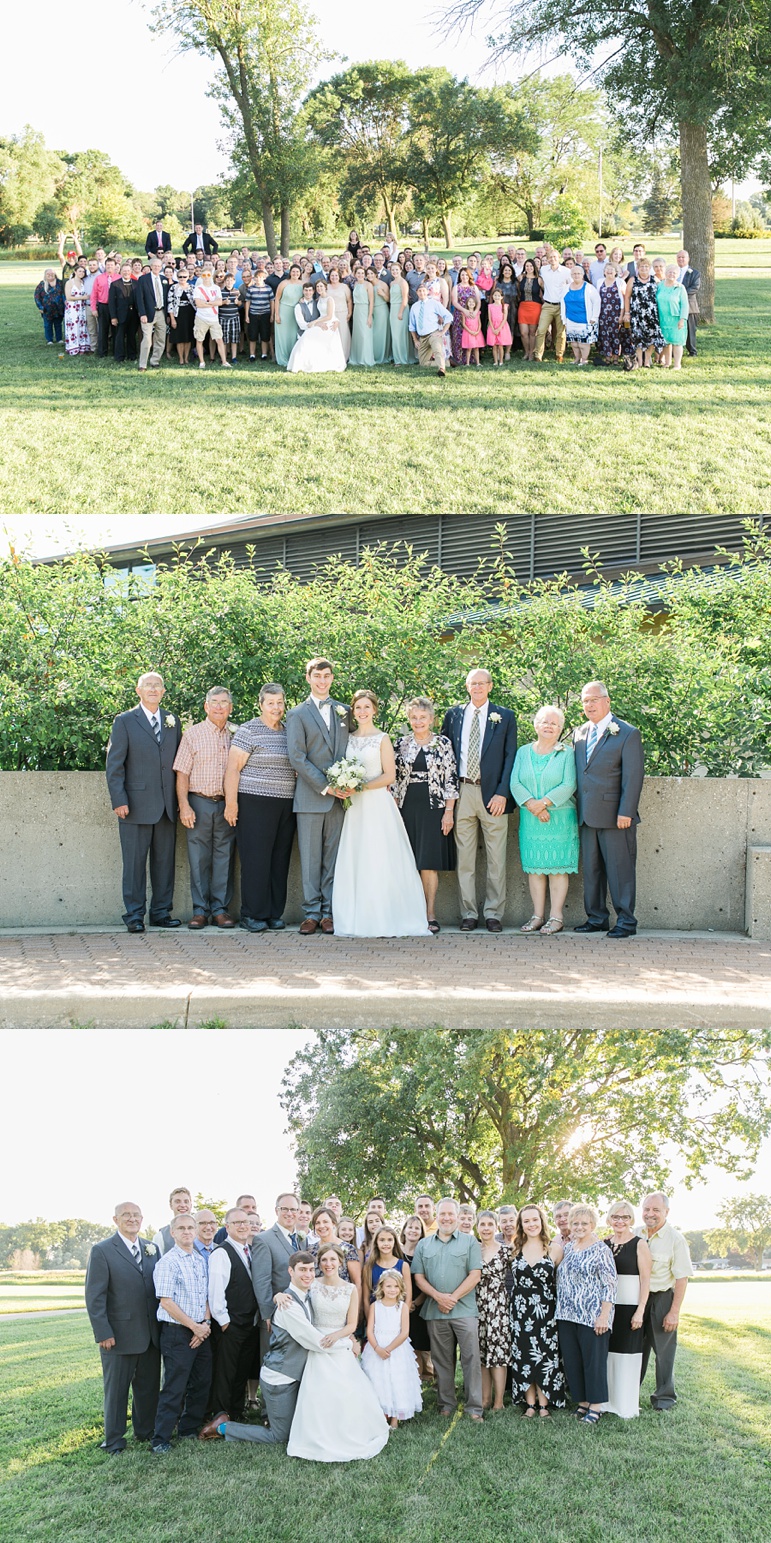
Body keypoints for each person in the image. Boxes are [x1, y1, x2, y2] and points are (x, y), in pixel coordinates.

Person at [331, 689, 431, 938]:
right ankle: (358, 919)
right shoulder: (348, 738)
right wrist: (343, 784)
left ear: (374, 710)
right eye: (358, 708)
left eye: (367, 707)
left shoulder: (382, 738)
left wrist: (360, 786)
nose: (362, 712)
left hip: (377, 804)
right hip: (354, 808)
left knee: (380, 858)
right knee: (357, 859)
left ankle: (387, 916)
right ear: (353, 712)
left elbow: (389, 775)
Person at [282, 1249, 389, 1461]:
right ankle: (318, 1436)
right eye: (323, 1260)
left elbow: (351, 1324)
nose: (328, 1263)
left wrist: (338, 1337)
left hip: (338, 1340)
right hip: (314, 1341)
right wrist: (278, 1294)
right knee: (319, 1393)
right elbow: (295, 1295)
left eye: (332, 1259)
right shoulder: (312, 1284)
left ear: (340, 1262)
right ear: (318, 1264)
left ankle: (347, 1433)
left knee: (345, 1392)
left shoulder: (350, 1289)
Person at [441, 670, 518, 933]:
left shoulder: (505, 716)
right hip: (462, 792)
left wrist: (502, 792)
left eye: (482, 683)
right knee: (464, 858)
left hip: (493, 795)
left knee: (497, 858)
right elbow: (445, 754)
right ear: (466, 686)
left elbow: (510, 757)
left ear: (490, 686)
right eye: (473, 683)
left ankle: (494, 913)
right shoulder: (453, 715)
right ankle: (469, 914)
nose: (477, 687)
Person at [105, 671, 182, 932]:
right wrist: (119, 799)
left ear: (163, 691)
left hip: (167, 807)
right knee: (135, 864)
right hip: (134, 806)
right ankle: (135, 915)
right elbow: (114, 765)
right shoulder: (124, 721)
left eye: (157, 685)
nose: (153, 689)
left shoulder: (173, 720)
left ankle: (161, 911)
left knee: (164, 863)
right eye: (148, 685)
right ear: (138, 691)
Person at [84, 1201, 161, 1455]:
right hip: (118, 1336)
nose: (132, 1219)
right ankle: (114, 1440)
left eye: (136, 1215)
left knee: (148, 1388)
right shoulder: (102, 1250)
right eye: (126, 1215)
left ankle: (145, 1431)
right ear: (115, 1220)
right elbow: (95, 1296)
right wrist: (103, 1332)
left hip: (151, 1334)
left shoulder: (152, 1248)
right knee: (116, 1391)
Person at [572, 680, 645, 939]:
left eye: (594, 699)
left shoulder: (626, 733)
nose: (589, 705)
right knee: (591, 870)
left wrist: (626, 810)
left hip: (616, 816)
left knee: (619, 870)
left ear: (607, 701)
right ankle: (596, 918)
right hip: (586, 814)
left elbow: (633, 776)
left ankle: (626, 921)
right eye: (585, 701)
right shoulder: (579, 733)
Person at [224, 682, 296, 933]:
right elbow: (233, 769)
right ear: (261, 704)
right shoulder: (248, 731)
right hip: (254, 802)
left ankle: (274, 913)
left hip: (285, 805)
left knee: (279, 859)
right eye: (271, 703)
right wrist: (231, 804)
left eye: (280, 703)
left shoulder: (289, 732)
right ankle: (252, 913)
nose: (276, 707)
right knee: (256, 859)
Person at [285, 656, 348, 935]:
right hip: (311, 796)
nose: (322, 681)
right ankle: (311, 913)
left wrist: (350, 781)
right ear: (308, 678)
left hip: (341, 799)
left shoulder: (345, 711)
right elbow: (297, 757)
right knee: (310, 858)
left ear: (332, 678)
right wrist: (325, 785)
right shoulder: (297, 714)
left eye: (327, 676)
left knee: (333, 858)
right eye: (317, 676)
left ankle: (328, 913)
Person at [411, 1197, 484, 1421]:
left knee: (471, 1358)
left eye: (450, 1214)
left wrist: (452, 1298)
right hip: (435, 1311)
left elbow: (475, 1274)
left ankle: (474, 1407)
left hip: (464, 1310)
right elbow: (418, 1277)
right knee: (442, 1359)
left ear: (457, 1216)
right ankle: (446, 1402)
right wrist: (438, 1297)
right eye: (442, 1214)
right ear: (437, 1215)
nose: (446, 1218)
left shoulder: (470, 1242)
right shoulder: (424, 1244)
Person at [510, 704, 578, 935]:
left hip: (559, 819)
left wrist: (545, 804)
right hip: (531, 819)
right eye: (545, 722)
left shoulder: (567, 753)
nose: (549, 726)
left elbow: (569, 784)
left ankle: (556, 917)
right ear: (536, 724)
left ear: (560, 728)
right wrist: (534, 806)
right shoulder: (523, 752)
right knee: (535, 869)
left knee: (558, 870)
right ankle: (537, 916)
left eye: (554, 723)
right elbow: (515, 783)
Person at [392, 695, 458, 934]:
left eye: (423, 717)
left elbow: (451, 779)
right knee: (407, 862)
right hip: (406, 808)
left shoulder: (443, 744)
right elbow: (393, 780)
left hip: (435, 808)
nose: (418, 721)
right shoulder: (400, 743)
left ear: (431, 719)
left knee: (428, 863)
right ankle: (409, 913)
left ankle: (430, 913)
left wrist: (448, 812)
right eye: (414, 717)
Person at [174, 687, 237, 930]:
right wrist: (184, 805)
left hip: (227, 804)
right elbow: (182, 773)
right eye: (215, 702)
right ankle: (200, 911)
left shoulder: (237, 734)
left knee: (225, 857)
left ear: (230, 708)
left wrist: (234, 804)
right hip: (198, 802)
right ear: (206, 706)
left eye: (224, 702)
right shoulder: (193, 735)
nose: (219, 706)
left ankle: (220, 910)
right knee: (198, 858)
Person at [150, 1213, 212, 1453]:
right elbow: (166, 1302)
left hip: (201, 1331)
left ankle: (188, 1429)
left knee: (201, 1382)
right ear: (173, 1233)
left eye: (190, 1228)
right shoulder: (167, 1262)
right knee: (175, 1386)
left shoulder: (198, 1259)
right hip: (178, 1333)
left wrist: (204, 1324)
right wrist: (193, 1326)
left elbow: (206, 1296)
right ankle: (161, 1438)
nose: (187, 1232)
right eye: (182, 1228)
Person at [198, 1209, 260, 1435]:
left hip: (249, 1323)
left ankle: (236, 1410)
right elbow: (216, 1292)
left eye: (246, 1222)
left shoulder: (249, 1250)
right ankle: (220, 1413)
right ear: (228, 1226)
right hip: (230, 1324)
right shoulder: (221, 1253)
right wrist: (224, 1322)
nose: (243, 1226)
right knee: (225, 1371)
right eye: (237, 1223)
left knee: (241, 1370)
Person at [556, 1203, 616, 1424]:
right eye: (575, 1223)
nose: (579, 1227)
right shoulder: (569, 1248)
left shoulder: (601, 1249)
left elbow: (610, 1285)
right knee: (573, 1360)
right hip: (566, 1314)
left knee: (594, 1362)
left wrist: (604, 1315)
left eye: (584, 1223)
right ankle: (582, 1402)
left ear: (592, 1225)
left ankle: (596, 1406)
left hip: (592, 1316)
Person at [509, 1202, 566, 1416]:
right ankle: (530, 1404)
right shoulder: (514, 1250)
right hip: (520, 1312)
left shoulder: (555, 1249)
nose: (531, 1224)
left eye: (535, 1219)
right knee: (524, 1356)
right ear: (521, 1225)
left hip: (546, 1312)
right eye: (527, 1221)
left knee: (545, 1356)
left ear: (542, 1222)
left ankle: (544, 1404)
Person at [639, 1192, 693, 1410]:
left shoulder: (675, 1239)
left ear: (666, 1212)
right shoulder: (635, 1233)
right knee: (635, 1351)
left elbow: (682, 1278)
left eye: (656, 1210)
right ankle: (628, 1393)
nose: (650, 1214)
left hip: (661, 1299)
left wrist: (674, 1312)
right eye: (646, 1209)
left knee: (664, 1352)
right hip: (636, 1300)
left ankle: (664, 1398)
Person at [603, 1201, 651, 1419]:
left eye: (625, 1217)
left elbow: (645, 1281)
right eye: (616, 1217)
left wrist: (640, 1310)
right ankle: (606, 1402)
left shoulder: (640, 1244)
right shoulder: (603, 1244)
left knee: (627, 1356)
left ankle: (625, 1405)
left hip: (630, 1306)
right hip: (607, 1308)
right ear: (609, 1219)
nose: (620, 1221)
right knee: (608, 1356)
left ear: (631, 1220)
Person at [362, 1270, 423, 1428]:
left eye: (396, 1286)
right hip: (376, 1348)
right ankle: (381, 1414)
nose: (392, 1289)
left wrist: (388, 1349)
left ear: (401, 1288)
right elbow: (370, 1330)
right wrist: (377, 1348)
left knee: (396, 1381)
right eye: (388, 1286)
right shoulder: (375, 1306)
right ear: (381, 1287)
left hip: (396, 1348)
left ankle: (395, 1418)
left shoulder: (402, 1307)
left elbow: (404, 1332)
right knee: (378, 1381)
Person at [474, 1211, 512, 1413]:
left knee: (498, 1353)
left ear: (496, 1227)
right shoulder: (473, 1250)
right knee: (482, 1352)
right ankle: (485, 1398)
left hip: (498, 1306)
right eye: (483, 1224)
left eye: (490, 1224)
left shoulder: (506, 1251)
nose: (486, 1228)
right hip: (477, 1305)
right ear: (477, 1227)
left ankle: (499, 1401)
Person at [251, 1193, 303, 1333]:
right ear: (276, 1211)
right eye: (284, 1209)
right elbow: (261, 1280)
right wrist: (267, 1314)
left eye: (293, 1210)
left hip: (300, 1314)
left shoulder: (302, 1240)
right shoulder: (263, 1240)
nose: (289, 1213)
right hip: (276, 1313)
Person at [287, 280, 346, 373]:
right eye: (318, 287)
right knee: (306, 337)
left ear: (325, 287)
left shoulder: (328, 299)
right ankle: (302, 363)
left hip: (328, 324)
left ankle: (319, 363)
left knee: (310, 336)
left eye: (321, 286)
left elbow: (330, 315)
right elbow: (303, 324)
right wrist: (317, 323)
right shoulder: (315, 300)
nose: (319, 288)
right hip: (316, 325)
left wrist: (336, 321)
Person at [400, 1216, 433, 1378]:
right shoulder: (395, 1251)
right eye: (410, 1227)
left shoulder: (424, 1254)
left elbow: (427, 1282)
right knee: (402, 1347)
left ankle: (417, 1385)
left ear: (421, 1233)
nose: (413, 1230)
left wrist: (414, 1303)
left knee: (416, 1348)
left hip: (419, 1307)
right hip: (397, 1307)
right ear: (404, 1230)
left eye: (416, 1228)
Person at [624, 257, 665, 370]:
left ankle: (647, 360)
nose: (644, 268)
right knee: (638, 337)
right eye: (641, 266)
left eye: (646, 266)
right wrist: (627, 313)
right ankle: (640, 361)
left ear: (649, 268)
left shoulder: (655, 279)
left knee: (652, 336)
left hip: (651, 314)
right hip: (637, 314)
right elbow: (627, 297)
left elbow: (662, 294)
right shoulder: (633, 280)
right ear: (638, 268)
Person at [307, 1207, 362, 1290]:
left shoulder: (348, 1249)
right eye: (317, 1223)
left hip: (343, 1299)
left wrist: (356, 1303)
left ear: (333, 1223)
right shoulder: (311, 1250)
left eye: (325, 1222)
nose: (321, 1226)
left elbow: (357, 1282)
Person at [533, 250, 570, 362]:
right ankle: (538, 355)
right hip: (548, 305)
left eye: (554, 256)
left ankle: (559, 354)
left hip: (561, 306)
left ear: (558, 257)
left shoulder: (566, 271)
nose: (552, 259)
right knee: (541, 330)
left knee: (561, 333)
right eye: (550, 257)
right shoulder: (544, 270)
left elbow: (571, 286)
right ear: (547, 259)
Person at [361, 1225, 410, 1308]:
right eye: (382, 1240)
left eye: (390, 1240)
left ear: (394, 1242)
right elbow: (366, 1299)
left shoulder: (403, 1266)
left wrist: (403, 1317)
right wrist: (370, 1319)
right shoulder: (368, 1267)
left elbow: (408, 1297)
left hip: (397, 1315)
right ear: (376, 1242)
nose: (386, 1243)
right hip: (376, 1315)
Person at [561, 265, 601, 365]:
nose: (576, 275)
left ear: (583, 275)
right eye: (574, 273)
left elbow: (597, 301)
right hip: (570, 319)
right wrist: (564, 319)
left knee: (583, 343)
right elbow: (562, 303)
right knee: (574, 343)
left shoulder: (589, 288)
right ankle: (577, 358)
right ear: (571, 275)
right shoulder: (566, 288)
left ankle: (584, 359)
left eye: (578, 273)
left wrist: (594, 317)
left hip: (585, 320)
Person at [409, 282, 452, 376]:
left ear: (427, 291)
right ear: (417, 293)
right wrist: (415, 340)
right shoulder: (414, 307)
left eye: (424, 290)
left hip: (434, 334)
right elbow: (411, 326)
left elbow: (448, 316)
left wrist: (442, 332)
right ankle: (447, 363)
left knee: (438, 350)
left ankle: (442, 369)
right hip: (422, 337)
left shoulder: (434, 303)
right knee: (423, 364)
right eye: (419, 291)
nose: (422, 293)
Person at [193, 266, 231, 369]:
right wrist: (213, 303)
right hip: (201, 317)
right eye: (204, 275)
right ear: (201, 276)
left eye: (208, 275)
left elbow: (219, 302)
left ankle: (224, 361)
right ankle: (202, 362)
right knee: (199, 340)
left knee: (219, 339)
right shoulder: (198, 289)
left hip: (214, 318)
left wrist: (208, 303)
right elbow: (198, 304)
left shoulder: (216, 288)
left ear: (211, 276)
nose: (206, 277)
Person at [135, 257, 169, 372]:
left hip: (161, 312)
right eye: (154, 266)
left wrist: (167, 315)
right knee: (147, 340)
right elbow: (139, 298)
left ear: (161, 267)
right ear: (150, 266)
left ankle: (155, 361)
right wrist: (142, 313)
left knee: (160, 339)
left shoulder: (164, 279)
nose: (156, 268)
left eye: (159, 266)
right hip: (148, 313)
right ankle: (142, 364)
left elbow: (166, 298)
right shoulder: (143, 279)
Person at [596, 262, 629, 364]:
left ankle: (615, 358)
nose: (609, 271)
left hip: (616, 313)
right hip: (603, 313)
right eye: (607, 269)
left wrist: (621, 315)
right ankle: (607, 356)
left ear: (616, 272)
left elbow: (623, 299)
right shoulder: (599, 281)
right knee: (604, 335)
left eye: (612, 270)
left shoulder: (620, 282)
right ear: (604, 272)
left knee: (616, 336)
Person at [657, 266, 689, 369]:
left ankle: (677, 364)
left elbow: (685, 305)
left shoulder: (680, 287)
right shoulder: (660, 285)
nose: (672, 274)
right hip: (662, 317)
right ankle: (667, 362)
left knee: (677, 342)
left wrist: (682, 319)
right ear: (665, 273)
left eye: (674, 273)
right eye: (669, 272)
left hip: (675, 319)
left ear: (678, 275)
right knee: (666, 341)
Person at [274, 264, 304, 368]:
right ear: (290, 272)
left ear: (300, 273)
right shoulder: (284, 283)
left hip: (296, 313)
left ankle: (293, 358)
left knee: (293, 335)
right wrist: (277, 314)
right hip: (284, 311)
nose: (295, 274)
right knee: (283, 336)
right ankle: (282, 358)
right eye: (293, 271)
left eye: (297, 272)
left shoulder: (303, 284)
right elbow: (277, 299)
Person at [108, 263, 138, 363]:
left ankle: (132, 355)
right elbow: (111, 302)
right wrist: (113, 317)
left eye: (128, 271)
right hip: (120, 314)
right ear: (120, 272)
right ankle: (119, 356)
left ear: (131, 272)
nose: (126, 272)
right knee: (119, 336)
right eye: (124, 271)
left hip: (134, 314)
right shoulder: (115, 284)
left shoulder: (136, 283)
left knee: (132, 335)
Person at [90, 257, 119, 358]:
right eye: (108, 265)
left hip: (116, 307)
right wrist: (93, 308)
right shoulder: (99, 278)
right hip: (103, 306)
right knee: (103, 330)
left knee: (116, 330)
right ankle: (102, 352)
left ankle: (116, 351)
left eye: (111, 265)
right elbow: (94, 294)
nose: (109, 267)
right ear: (105, 266)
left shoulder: (119, 278)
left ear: (115, 266)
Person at [516, 258, 543, 362]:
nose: (529, 268)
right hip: (523, 306)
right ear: (524, 267)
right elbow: (517, 291)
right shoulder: (520, 277)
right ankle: (526, 352)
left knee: (532, 332)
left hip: (535, 307)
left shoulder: (539, 279)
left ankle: (532, 353)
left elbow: (544, 293)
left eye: (531, 266)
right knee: (523, 332)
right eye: (527, 266)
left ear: (534, 267)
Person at [244, 268, 274, 361]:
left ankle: (264, 354)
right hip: (253, 314)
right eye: (256, 277)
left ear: (264, 278)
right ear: (254, 278)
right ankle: (252, 354)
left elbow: (272, 301)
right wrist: (247, 315)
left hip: (265, 314)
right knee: (252, 335)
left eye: (260, 277)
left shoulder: (268, 288)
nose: (258, 279)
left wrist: (272, 315)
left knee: (265, 335)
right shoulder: (251, 289)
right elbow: (248, 302)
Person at [153, 1188, 194, 1254]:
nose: (183, 1205)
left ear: (191, 1205)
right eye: (177, 1202)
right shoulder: (161, 1236)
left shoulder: (201, 1231)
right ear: (171, 1205)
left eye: (186, 1202)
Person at [349, 266, 375, 367]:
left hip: (365, 309)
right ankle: (357, 357)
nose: (360, 275)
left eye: (362, 273)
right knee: (358, 335)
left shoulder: (368, 285)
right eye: (358, 273)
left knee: (365, 334)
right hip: (357, 310)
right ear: (355, 274)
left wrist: (369, 316)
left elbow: (371, 301)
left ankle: (365, 358)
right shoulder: (355, 284)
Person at [62, 263, 91, 355]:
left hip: (82, 308)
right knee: (73, 326)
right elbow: (69, 297)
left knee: (82, 326)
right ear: (75, 272)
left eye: (83, 271)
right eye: (79, 271)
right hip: (72, 308)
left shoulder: (83, 282)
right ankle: (73, 347)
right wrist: (83, 297)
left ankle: (82, 347)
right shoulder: (70, 282)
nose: (81, 273)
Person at [676, 249, 700, 356]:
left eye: (683, 257)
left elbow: (695, 288)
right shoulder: (673, 271)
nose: (680, 259)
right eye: (679, 257)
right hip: (674, 306)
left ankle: (692, 350)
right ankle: (674, 349)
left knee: (690, 329)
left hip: (690, 305)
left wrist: (680, 294)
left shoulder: (695, 273)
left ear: (688, 259)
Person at [388, 261, 411, 366]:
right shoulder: (392, 283)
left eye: (396, 269)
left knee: (400, 335)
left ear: (401, 270)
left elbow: (405, 299)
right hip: (393, 309)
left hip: (401, 309)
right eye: (393, 270)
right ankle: (397, 358)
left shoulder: (403, 282)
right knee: (395, 335)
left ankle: (402, 359)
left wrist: (400, 312)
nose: (394, 271)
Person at [34, 269, 65, 344]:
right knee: (47, 325)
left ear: (55, 274)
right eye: (48, 274)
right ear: (45, 275)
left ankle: (59, 339)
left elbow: (64, 294)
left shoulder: (60, 283)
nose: (50, 275)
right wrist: (40, 307)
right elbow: (37, 296)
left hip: (59, 309)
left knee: (58, 324)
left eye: (52, 273)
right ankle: (49, 340)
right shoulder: (42, 284)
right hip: (46, 309)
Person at [486, 287, 512, 366]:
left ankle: (501, 361)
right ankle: (495, 361)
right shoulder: (490, 306)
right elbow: (489, 318)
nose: (496, 297)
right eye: (495, 295)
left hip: (502, 327)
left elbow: (504, 319)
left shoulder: (504, 306)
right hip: (493, 326)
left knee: (500, 345)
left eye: (498, 296)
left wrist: (499, 328)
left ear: (501, 297)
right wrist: (493, 328)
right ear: (492, 296)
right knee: (494, 346)